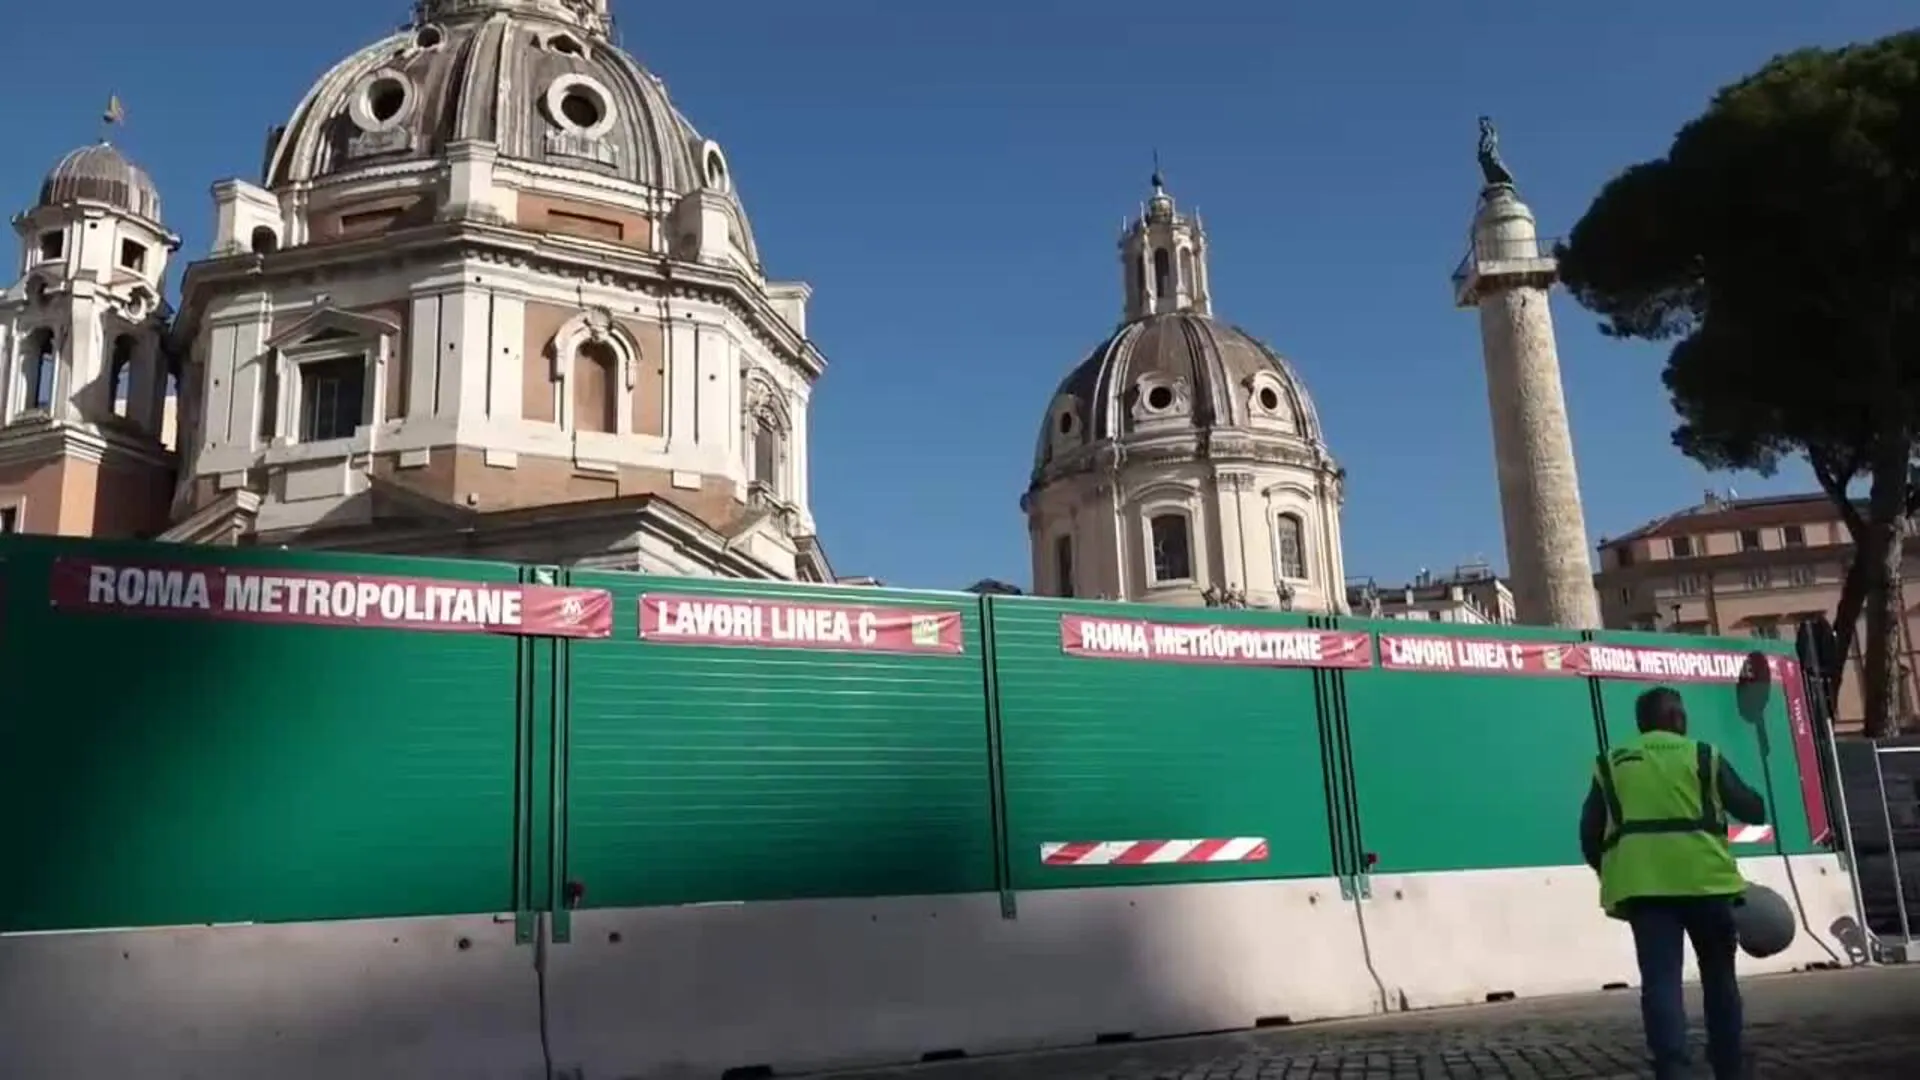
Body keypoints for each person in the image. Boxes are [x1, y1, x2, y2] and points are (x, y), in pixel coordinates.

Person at [1579, 686, 1769, 1080]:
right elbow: (1751, 809)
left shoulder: (1611, 763)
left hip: (1643, 890)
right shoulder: (1702, 755)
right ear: (1677, 719)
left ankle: (1672, 1069)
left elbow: (1589, 831)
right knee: (1719, 977)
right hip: (1708, 885)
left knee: (1661, 981)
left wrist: (1608, 869)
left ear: (1642, 724)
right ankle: (1729, 1064)